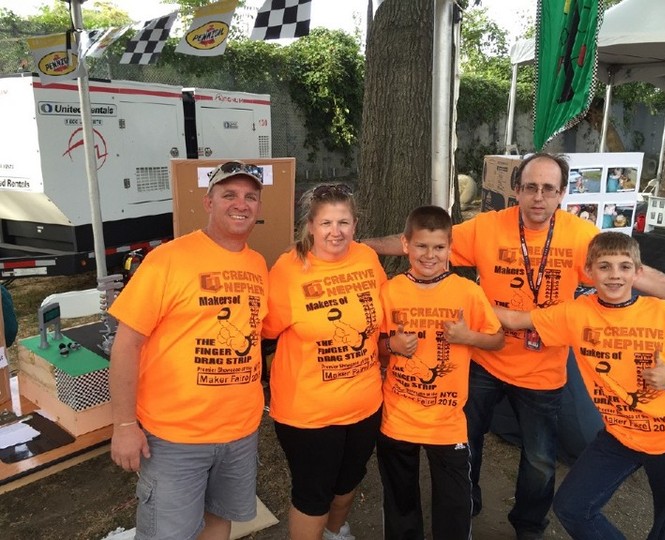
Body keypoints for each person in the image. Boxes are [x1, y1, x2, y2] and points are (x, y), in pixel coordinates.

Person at [362, 152, 665, 539]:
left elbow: (639, 274)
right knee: (467, 441)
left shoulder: (580, 236)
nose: (538, 197)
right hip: (486, 359)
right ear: (516, 189)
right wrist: (356, 245)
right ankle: (468, 503)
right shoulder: (486, 227)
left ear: (563, 194)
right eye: (530, 187)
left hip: (543, 367)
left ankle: (529, 525)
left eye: (549, 189)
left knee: (539, 460)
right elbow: (418, 243)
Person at [495, 232, 665, 540]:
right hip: (621, 436)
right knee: (572, 507)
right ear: (589, 271)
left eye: (624, 267)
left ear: (638, 273)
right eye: (605, 266)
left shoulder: (661, 312)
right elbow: (516, 320)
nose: (614, 275)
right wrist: (460, 300)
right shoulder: (577, 313)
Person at [108, 161, 268, 540]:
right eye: (229, 195)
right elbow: (126, 344)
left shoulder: (258, 264)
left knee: (219, 519)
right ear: (208, 202)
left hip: (240, 431)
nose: (241, 204)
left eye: (250, 197)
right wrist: (124, 425)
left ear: (258, 207)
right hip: (175, 437)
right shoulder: (168, 259)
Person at [262, 184, 386, 540]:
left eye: (343, 222)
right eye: (327, 223)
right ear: (311, 226)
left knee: (349, 481)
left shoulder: (366, 258)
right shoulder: (289, 269)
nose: (336, 231)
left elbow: (380, 318)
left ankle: (335, 532)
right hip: (308, 412)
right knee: (313, 493)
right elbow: (266, 330)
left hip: (364, 404)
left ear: (355, 224)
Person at [377, 205, 504, 539]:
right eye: (421, 246)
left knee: (454, 505)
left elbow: (497, 339)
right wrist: (392, 345)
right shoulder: (390, 290)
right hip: (398, 417)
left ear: (450, 248)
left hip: (447, 421)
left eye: (438, 247)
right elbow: (375, 346)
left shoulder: (467, 292)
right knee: (400, 503)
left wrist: (468, 337)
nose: (429, 255)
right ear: (406, 244)